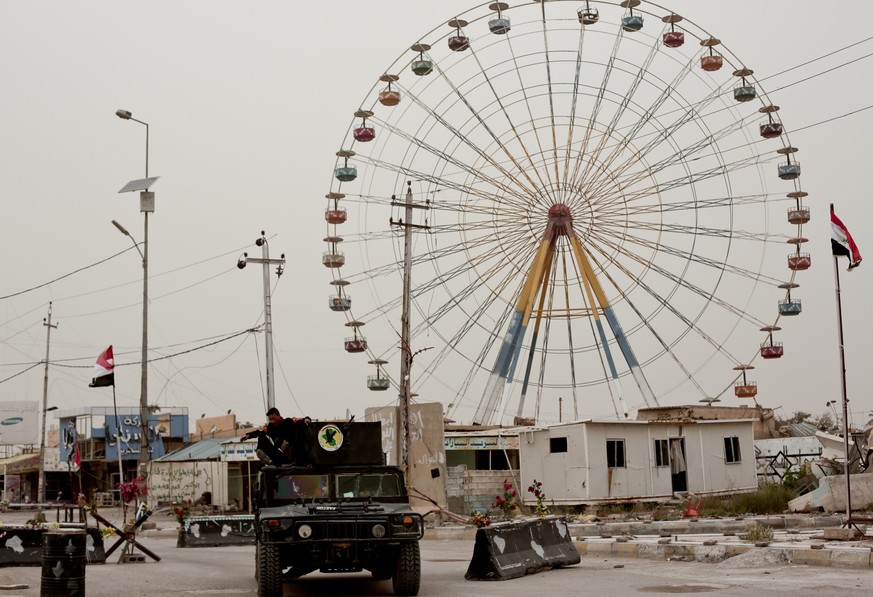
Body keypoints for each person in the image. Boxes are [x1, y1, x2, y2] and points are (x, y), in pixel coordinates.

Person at [241, 407, 311, 465]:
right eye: (270, 419)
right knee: (262, 436)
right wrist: (248, 435)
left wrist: (306, 419)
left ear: (279, 415)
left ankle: (295, 459)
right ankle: (266, 458)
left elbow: (300, 419)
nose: (272, 421)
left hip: (292, 453)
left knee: (281, 439)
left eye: (274, 419)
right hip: (279, 454)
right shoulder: (270, 427)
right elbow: (259, 431)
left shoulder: (288, 421)